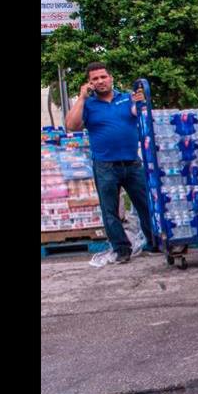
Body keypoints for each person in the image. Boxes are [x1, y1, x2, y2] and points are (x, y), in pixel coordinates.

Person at [65, 62, 155, 263]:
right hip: (105, 165)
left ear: (110, 78)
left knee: (145, 204)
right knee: (110, 210)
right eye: (94, 79)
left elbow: (138, 111)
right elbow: (71, 125)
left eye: (103, 77)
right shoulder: (88, 105)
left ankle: (154, 241)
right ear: (90, 83)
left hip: (132, 163)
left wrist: (140, 101)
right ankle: (122, 249)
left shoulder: (125, 98)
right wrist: (81, 97)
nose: (100, 81)